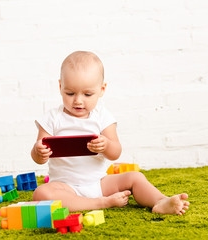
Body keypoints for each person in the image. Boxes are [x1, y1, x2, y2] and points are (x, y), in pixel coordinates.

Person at [31, 51, 189, 215]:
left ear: (102, 89)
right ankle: (100, 203)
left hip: (99, 183)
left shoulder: (102, 116)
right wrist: (39, 151)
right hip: (66, 187)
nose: (78, 100)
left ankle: (160, 201)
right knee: (41, 193)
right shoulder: (51, 118)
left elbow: (115, 153)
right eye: (70, 93)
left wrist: (105, 145)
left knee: (135, 177)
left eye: (87, 94)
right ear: (60, 87)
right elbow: (38, 158)